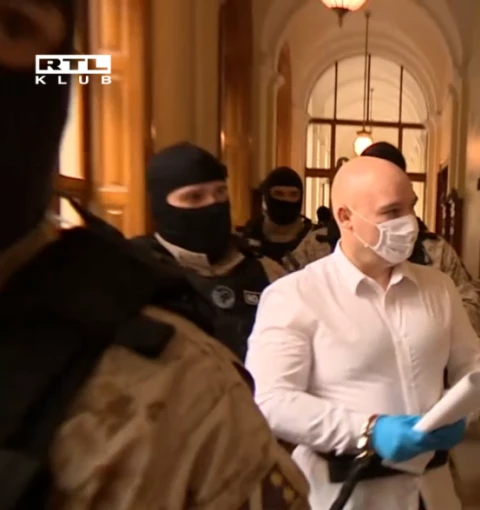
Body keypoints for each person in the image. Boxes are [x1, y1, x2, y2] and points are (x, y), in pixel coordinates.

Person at [0, 3, 308, 508]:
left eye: (12, 26)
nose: (211, 207)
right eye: (193, 197)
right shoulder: (130, 267)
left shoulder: (177, 382)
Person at [247, 156, 480, 510]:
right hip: (346, 491)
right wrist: (368, 430)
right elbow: (271, 400)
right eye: (391, 212)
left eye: (411, 207)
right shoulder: (295, 295)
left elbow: (474, 367)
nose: (409, 223)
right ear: (345, 217)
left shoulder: (439, 288)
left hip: (432, 492)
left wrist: (459, 413)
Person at [283, 142, 480, 334]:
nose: (406, 221)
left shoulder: (435, 251)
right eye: (390, 210)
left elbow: (469, 309)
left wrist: (429, 329)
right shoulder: (316, 247)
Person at [131, 142, 285, 360]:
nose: (213, 205)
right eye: (194, 197)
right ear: (160, 205)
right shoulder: (132, 273)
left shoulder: (267, 271)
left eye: (220, 192)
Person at [237, 166, 314, 261]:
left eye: (293, 194)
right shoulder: (247, 237)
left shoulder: (314, 241)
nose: (286, 200)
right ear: (267, 196)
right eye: (278, 193)